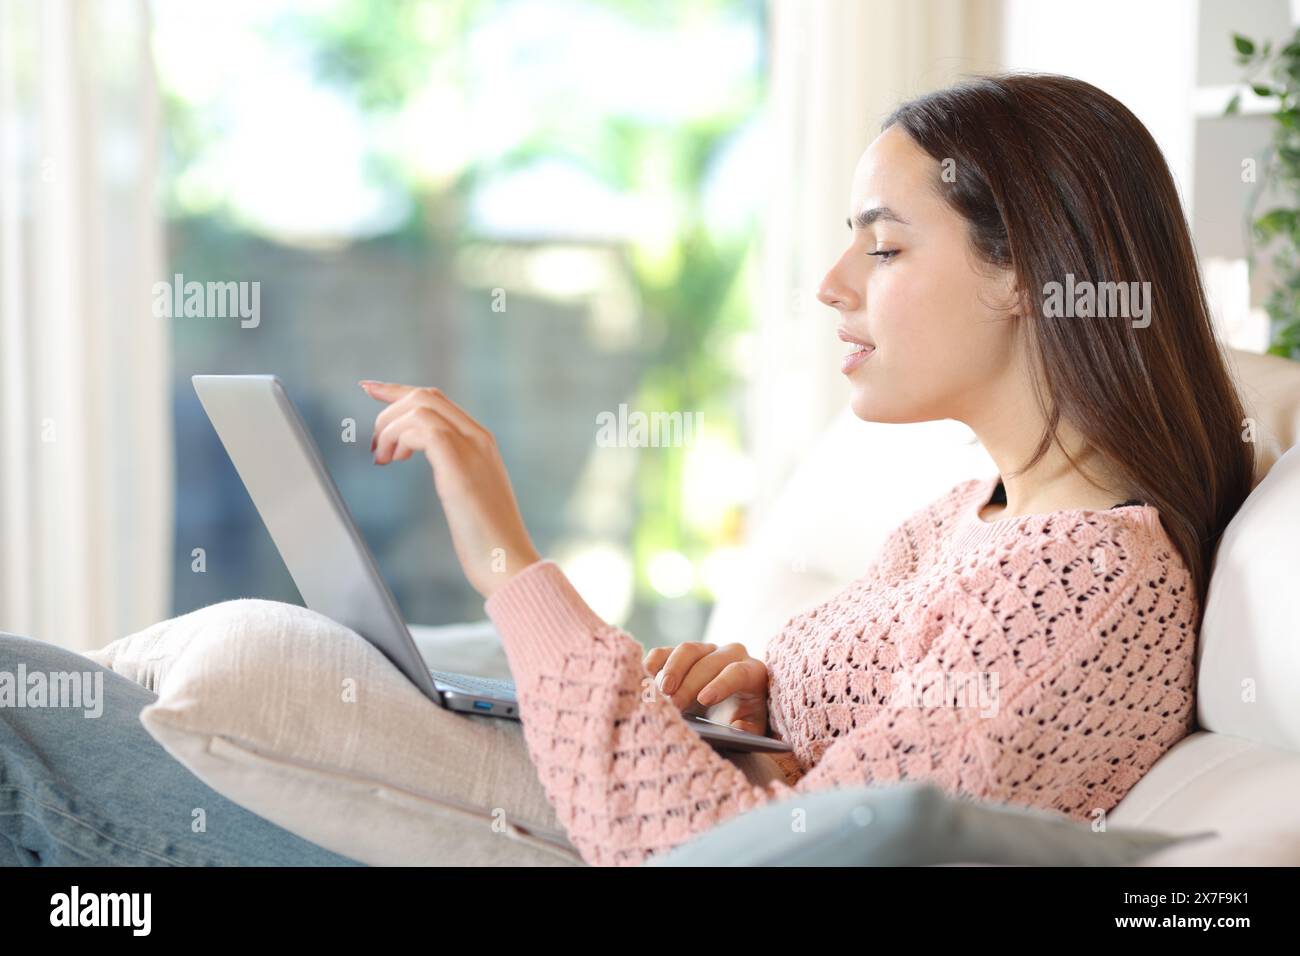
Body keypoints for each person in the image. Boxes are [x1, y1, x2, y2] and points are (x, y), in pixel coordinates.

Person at [0, 73, 1254, 867]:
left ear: (1026, 271)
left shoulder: (1087, 586)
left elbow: (758, 858)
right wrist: (749, 701)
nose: (831, 284)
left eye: (882, 248)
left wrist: (508, 558)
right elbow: (833, 779)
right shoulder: (963, 516)